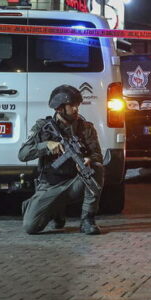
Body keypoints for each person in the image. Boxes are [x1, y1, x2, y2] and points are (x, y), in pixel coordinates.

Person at [19, 85, 105, 235]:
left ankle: (87, 220)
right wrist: (46, 146)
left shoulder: (86, 128)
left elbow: (97, 156)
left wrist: (89, 159)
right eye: (72, 106)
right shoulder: (43, 127)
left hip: (74, 184)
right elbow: (23, 154)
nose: (76, 109)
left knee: (96, 169)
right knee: (30, 227)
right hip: (50, 186)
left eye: (77, 106)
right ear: (59, 109)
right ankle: (53, 211)